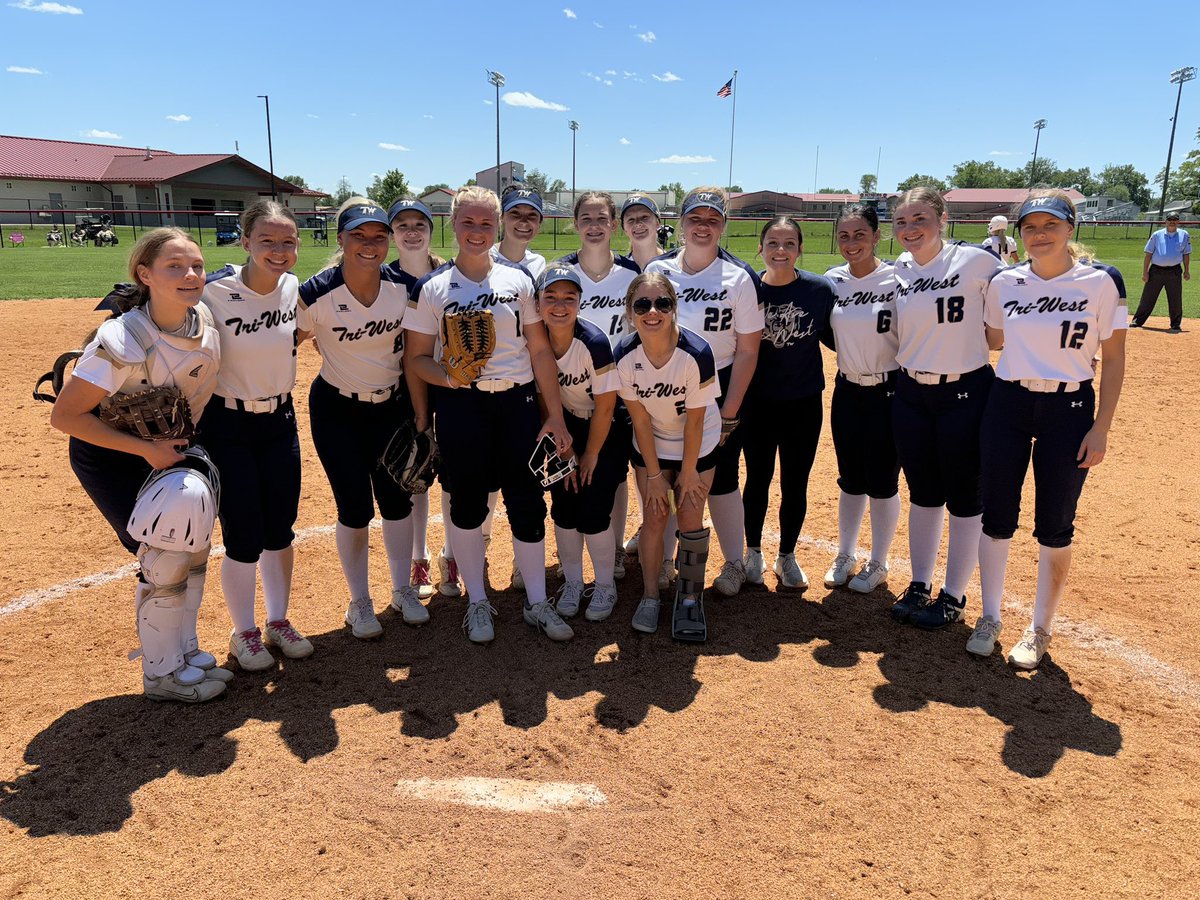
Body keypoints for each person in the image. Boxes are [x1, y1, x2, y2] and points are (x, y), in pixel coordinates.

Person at [50, 228, 231, 702]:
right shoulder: (124, 338)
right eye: (175, 266)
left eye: (196, 265)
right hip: (112, 455)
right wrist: (146, 452)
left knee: (192, 545)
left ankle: (185, 649)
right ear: (144, 275)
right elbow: (65, 416)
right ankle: (161, 673)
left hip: (168, 448)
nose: (190, 274)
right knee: (165, 555)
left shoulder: (204, 321)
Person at [403, 185, 573, 644]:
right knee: (467, 504)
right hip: (462, 404)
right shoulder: (432, 288)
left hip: (516, 403)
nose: (476, 231)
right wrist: (450, 378)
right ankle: (478, 601)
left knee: (526, 500)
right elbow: (415, 359)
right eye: (468, 222)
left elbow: (539, 350)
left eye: (485, 223)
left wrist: (553, 414)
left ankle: (537, 601)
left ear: (495, 227)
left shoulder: (518, 281)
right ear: (453, 225)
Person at [970, 191, 1127, 668]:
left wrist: (1101, 428)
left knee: (1055, 522)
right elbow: (994, 339)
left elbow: (1115, 358)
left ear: (1069, 228)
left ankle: (1040, 629)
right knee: (996, 512)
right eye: (1031, 227)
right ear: (1019, 234)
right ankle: (990, 616)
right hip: (1008, 402)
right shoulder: (1005, 282)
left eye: (1050, 225)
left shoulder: (1100, 282)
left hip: (1070, 406)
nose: (1040, 235)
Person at [297, 198, 428, 640]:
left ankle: (402, 590)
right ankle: (359, 600)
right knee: (353, 507)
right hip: (337, 410)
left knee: (396, 502)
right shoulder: (316, 293)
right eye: (358, 235)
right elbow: (282, 338)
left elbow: (415, 353)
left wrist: (421, 414)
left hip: (391, 407)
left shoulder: (404, 287)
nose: (369, 244)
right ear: (341, 239)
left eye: (378, 236)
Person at [201, 200, 312, 672]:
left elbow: (300, 335)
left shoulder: (295, 291)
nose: (279, 250)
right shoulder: (212, 292)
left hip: (279, 421)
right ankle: (244, 629)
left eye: (288, 241)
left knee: (280, 529)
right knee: (243, 532)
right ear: (245, 242)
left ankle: (278, 621)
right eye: (267, 240)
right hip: (227, 425)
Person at [889, 186, 1003, 630]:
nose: (910, 229)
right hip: (911, 392)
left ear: (941, 218)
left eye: (920, 219)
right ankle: (920, 584)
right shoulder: (898, 268)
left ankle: (954, 595)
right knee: (923, 492)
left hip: (965, 391)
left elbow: (1005, 320)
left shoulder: (976, 261)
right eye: (902, 222)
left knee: (964, 496)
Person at [646, 187, 763, 598]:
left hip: (718, 386)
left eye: (712, 220)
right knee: (665, 472)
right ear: (681, 223)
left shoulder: (738, 276)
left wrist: (730, 410)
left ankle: (733, 562)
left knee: (722, 478)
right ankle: (663, 560)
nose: (703, 227)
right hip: (663, 384)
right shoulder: (659, 270)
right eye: (695, 218)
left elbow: (749, 349)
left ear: (723, 226)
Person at [615, 272, 721, 640]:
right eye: (642, 304)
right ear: (630, 311)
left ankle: (690, 600)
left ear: (674, 307)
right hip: (654, 441)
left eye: (663, 303)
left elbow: (695, 422)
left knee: (690, 517)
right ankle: (649, 596)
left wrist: (688, 473)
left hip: (698, 440)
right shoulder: (625, 356)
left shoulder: (696, 352)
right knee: (655, 515)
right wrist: (657, 476)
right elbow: (640, 419)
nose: (653, 312)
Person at [741, 217, 835, 590]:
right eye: (773, 243)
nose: (781, 250)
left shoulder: (818, 289)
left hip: (803, 402)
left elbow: (837, 337)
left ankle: (787, 556)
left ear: (800, 249)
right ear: (760, 248)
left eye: (789, 243)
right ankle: (753, 553)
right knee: (757, 479)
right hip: (758, 403)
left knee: (795, 482)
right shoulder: (747, 289)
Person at [556, 191, 641, 580]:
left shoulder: (631, 276)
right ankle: (572, 564)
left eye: (602, 218)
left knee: (615, 476)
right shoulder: (560, 273)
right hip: (568, 396)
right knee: (567, 485)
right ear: (575, 224)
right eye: (586, 218)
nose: (594, 225)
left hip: (616, 395)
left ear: (613, 224)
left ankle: (617, 548)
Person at [537, 263, 627, 622]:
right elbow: (544, 393)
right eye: (551, 297)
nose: (560, 305)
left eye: (569, 298)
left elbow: (606, 406)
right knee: (563, 506)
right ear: (539, 301)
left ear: (580, 302)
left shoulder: (593, 341)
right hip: (565, 425)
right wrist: (565, 445)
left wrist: (589, 454)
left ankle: (605, 584)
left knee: (594, 508)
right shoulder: (536, 337)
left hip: (603, 428)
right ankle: (573, 582)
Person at [823, 204, 902, 594]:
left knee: (883, 480)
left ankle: (880, 561)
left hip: (889, 389)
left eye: (859, 235)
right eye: (844, 235)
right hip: (847, 387)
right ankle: (846, 553)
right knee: (851, 478)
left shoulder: (898, 278)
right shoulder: (832, 281)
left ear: (876, 236)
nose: (851, 243)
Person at [385, 197, 446, 602]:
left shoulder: (447, 275)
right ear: (392, 233)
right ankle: (418, 556)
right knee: (416, 473)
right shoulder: (379, 277)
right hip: (398, 390)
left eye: (418, 224)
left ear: (430, 230)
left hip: (448, 384)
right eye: (402, 224)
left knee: (457, 475)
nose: (411, 231)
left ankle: (453, 554)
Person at [1131, 211, 1190, 333]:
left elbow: (1186, 254)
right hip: (1156, 271)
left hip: (1174, 271)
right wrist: (1145, 272)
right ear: (1165, 221)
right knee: (1148, 298)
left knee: (1175, 299)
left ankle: (1175, 324)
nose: (1172, 221)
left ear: (1178, 221)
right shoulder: (1157, 235)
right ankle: (1137, 321)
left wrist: (1186, 271)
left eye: (1175, 219)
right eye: (1170, 219)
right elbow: (1148, 254)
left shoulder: (1184, 235)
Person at [620, 194, 665, 272]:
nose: (638, 224)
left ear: (657, 223)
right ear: (624, 229)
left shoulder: (676, 266)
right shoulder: (618, 271)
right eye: (631, 219)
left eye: (644, 217)